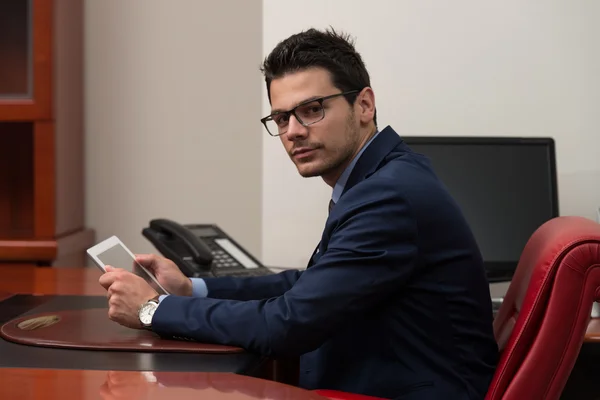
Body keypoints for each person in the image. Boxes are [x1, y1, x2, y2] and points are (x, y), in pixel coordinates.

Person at [99, 27, 499, 399]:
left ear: (364, 104)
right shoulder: (382, 176)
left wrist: (154, 309)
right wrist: (192, 288)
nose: (292, 131)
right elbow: (312, 286)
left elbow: (288, 323)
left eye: (311, 110)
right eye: (281, 117)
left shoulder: (387, 196)